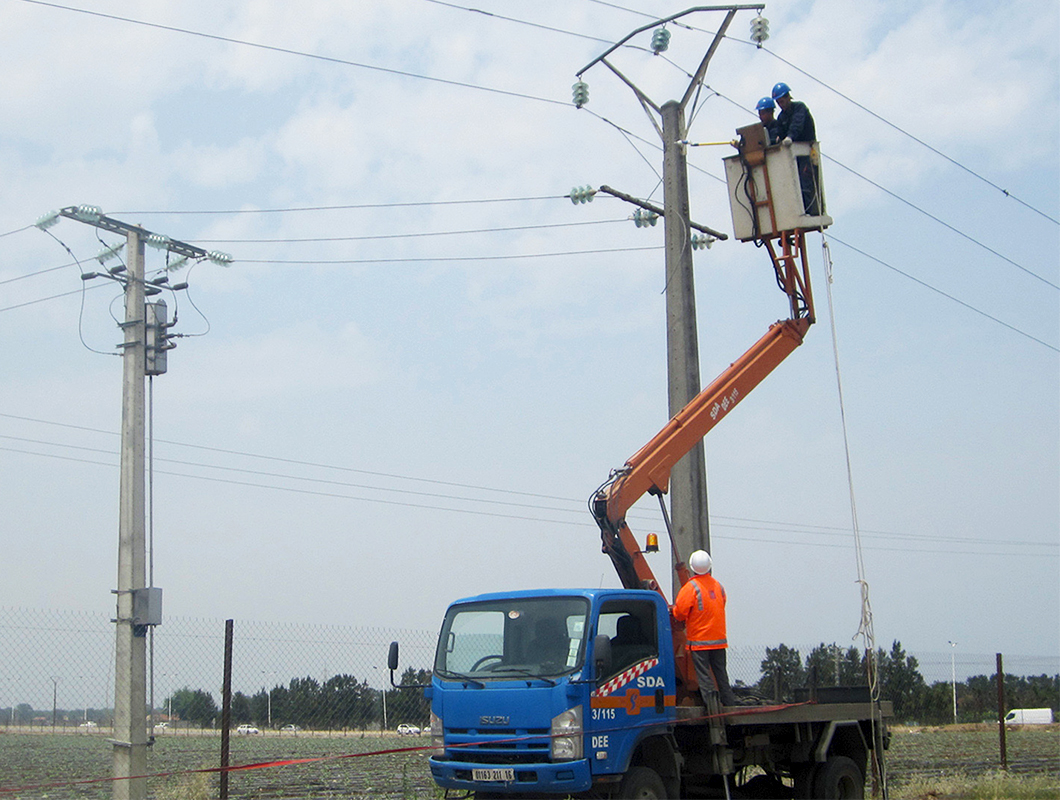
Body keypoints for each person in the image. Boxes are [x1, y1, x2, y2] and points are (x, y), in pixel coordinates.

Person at [672, 550, 736, 706]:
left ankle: (712, 707)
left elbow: (679, 613)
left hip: (700, 642)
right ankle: (729, 704)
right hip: (719, 641)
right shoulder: (718, 586)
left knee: (704, 676)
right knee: (721, 675)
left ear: (692, 567)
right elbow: (721, 605)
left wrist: (676, 613)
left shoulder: (690, 588)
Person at [771, 81, 821, 215]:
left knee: (805, 183)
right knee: (792, 183)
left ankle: (807, 211)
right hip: (792, 155)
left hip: (806, 152)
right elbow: (779, 132)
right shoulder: (782, 117)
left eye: (782, 101)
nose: (781, 104)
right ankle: (796, 211)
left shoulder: (799, 108)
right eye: (778, 102)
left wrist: (790, 137)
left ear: (788, 97)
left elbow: (797, 124)